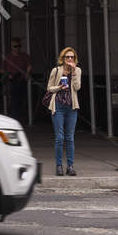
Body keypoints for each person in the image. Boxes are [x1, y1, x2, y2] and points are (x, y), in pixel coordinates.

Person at [46, 46, 82, 176]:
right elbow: (49, 88)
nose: (70, 59)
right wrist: (59, 87)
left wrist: (73, 72)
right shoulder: (56, 70)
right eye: (67, 57)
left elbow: (77, 87)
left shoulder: (77, 70)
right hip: (58, 106)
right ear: (63, 58)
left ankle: (70, 166)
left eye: (72, 57)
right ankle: (59, 166)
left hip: (72, 107)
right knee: (60, 137)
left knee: (70, 137)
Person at [4, 37, 32, 120]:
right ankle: (14, 117)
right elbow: (2, 69)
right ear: (11, 47)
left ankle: (20, 117)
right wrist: (8, 75)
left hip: (22, 81)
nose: (17, 48)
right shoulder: (8, 57)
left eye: (19, 46)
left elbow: (29, 65)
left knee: (21, 100)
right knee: (13, 100)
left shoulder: (24, 56)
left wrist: (27, 73)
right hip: (11, 81)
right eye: (15, 46)